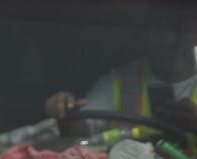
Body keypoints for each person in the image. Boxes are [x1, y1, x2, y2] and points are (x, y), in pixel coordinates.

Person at [44, 10, 197, 147]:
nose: (170, 39)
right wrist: (64, 113)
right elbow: (81, 136)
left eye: (179, 28)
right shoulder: (120, 81)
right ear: (146, 34)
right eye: (161, 29)